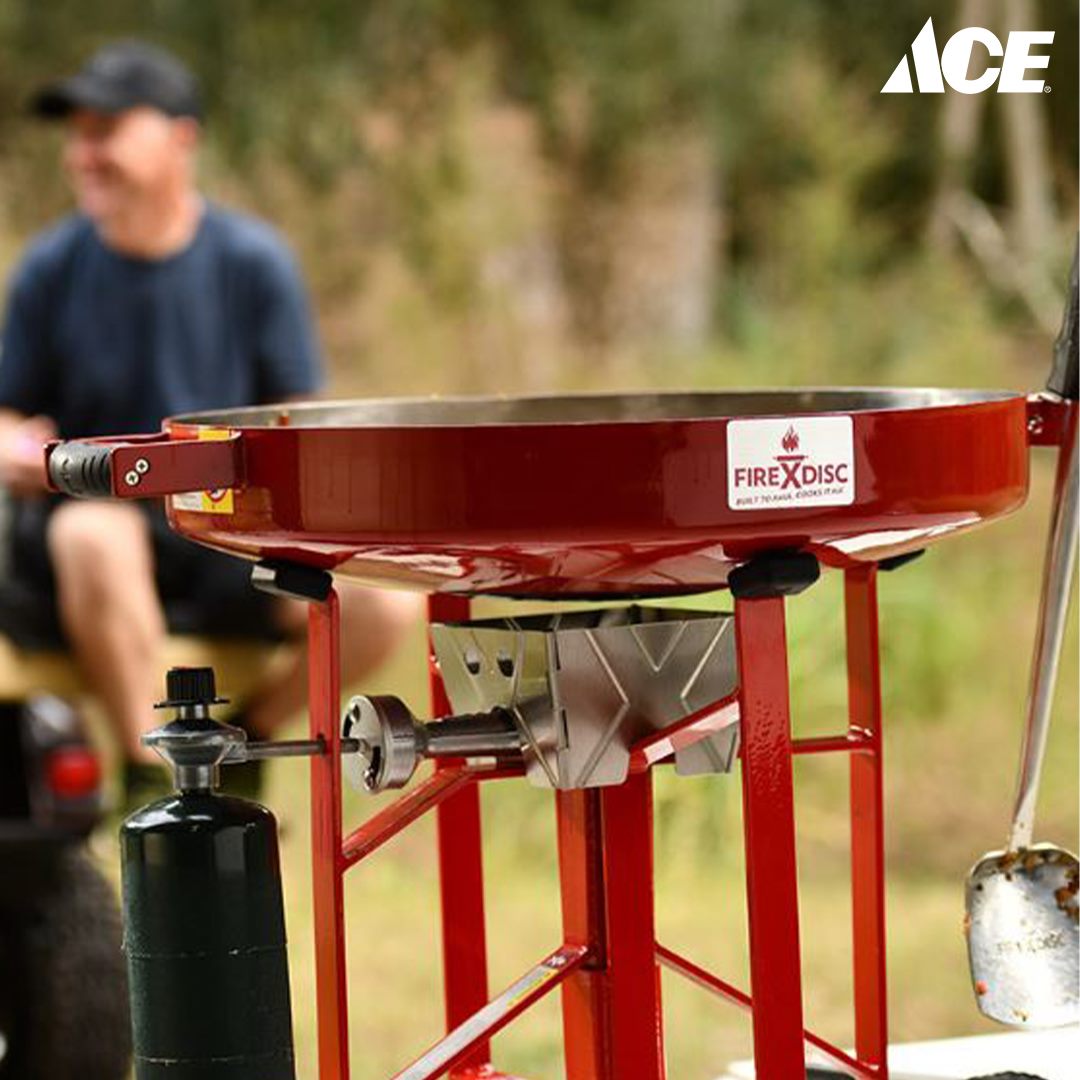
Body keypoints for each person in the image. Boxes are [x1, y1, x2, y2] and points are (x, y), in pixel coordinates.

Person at [0, 41, 420, 803]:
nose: (83, 154)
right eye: (78, 135)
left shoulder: (253, 264)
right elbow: (6, 418)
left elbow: (300, 422)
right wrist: (22, 450)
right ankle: (151, 779)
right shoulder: (51, 268)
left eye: (106, 132)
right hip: (92, 529)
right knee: (95, 535)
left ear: (180, 138)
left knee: (386, 600)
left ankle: (245, 741)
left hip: (222, 528)